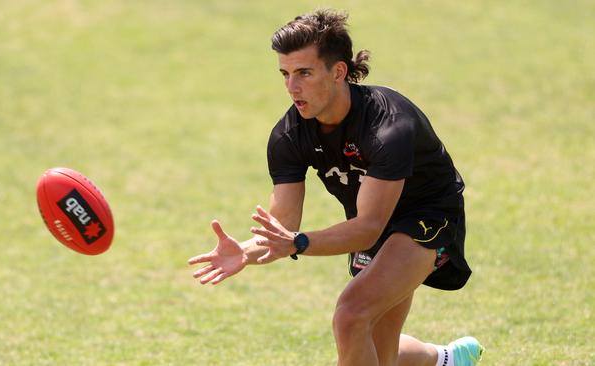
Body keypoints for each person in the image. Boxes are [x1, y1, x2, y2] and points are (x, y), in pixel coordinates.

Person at [188, 9, 484, 366]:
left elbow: (366, 228)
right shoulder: (289, 136)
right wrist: (246, 251)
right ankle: (447, 359)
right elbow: (281, 226)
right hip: (373, 223)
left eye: (304, 73)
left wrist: (298, 243)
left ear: (338, 71)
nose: (291, 87)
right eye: (285, 74)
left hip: (426, 217)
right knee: (376, 343)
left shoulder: (389, 127)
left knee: (351, 314)